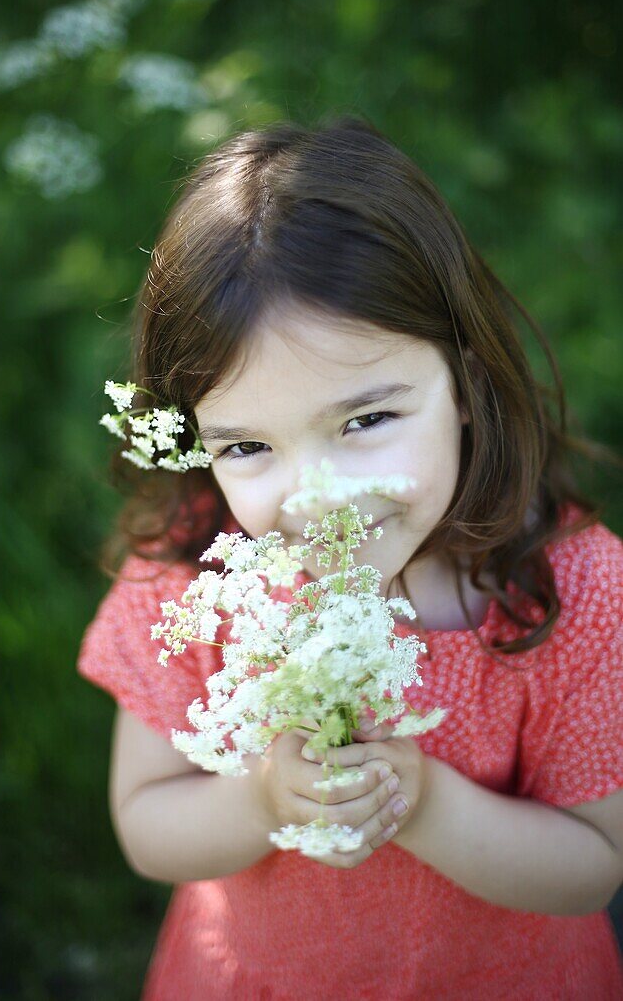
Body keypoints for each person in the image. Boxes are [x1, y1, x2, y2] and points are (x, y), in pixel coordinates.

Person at [77, 115, 623, 999]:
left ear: (468, 384)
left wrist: (423, 802)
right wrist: (261, 799)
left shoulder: (573, 590)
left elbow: (592, 866)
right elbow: (147, 826)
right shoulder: (191, 583)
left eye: (365, 422)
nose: (317, 493)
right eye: (248, 446)